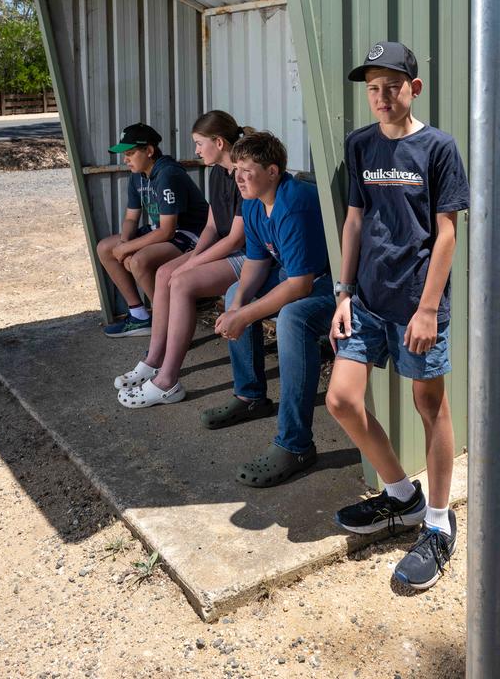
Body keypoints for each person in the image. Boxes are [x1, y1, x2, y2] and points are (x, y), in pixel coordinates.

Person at [326, 41, 469, 590]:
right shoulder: (360, 145)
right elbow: (355, 221)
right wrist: (343, 292)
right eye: (372, 88)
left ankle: (436, 524)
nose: (382, 97)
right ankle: (401, 496)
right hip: (365, 301)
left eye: (392, 86)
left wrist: (428, 308)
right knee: (341, 399)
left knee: (428, 405)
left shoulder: (437, 148)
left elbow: (447, 234)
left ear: (414, 88)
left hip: (417, 306)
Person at [201, 131, 335, 487]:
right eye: (236, 169)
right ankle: (250, 396)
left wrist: (244, 317)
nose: (239, 178)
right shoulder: (253, 203)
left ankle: (296, 445)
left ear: (273, 171)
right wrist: (239, 304)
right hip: (297, 275)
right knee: (234, 293)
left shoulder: (294, 204)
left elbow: (301, 286)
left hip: (334, 282)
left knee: (293, 318)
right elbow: (257, 264)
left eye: (247, 170)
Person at [115, 111, 250, 408]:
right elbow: (212, 227)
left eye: (200, 144)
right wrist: (194, 256)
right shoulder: (216, 173)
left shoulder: (243, 173)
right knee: (164, 273)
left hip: (248, 255)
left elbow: (235, 239)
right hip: (226, 248)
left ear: (219, 142)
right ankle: (153, 361)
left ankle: (167, 382)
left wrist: (191, 264)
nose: (197, 151)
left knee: (182, 282)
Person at [96, 123, 208, 337]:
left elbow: (167, 231)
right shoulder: (137, 175)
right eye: (124, 154)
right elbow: (131, 217)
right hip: (163, 230)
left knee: (138, 261)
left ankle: (168, 325)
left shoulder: (168, 174)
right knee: (105, 248)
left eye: (130, 153)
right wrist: (123, 244)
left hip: (192, 232)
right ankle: (139, 315)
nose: (125, 159)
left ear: (149, 150)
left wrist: (129, 248)